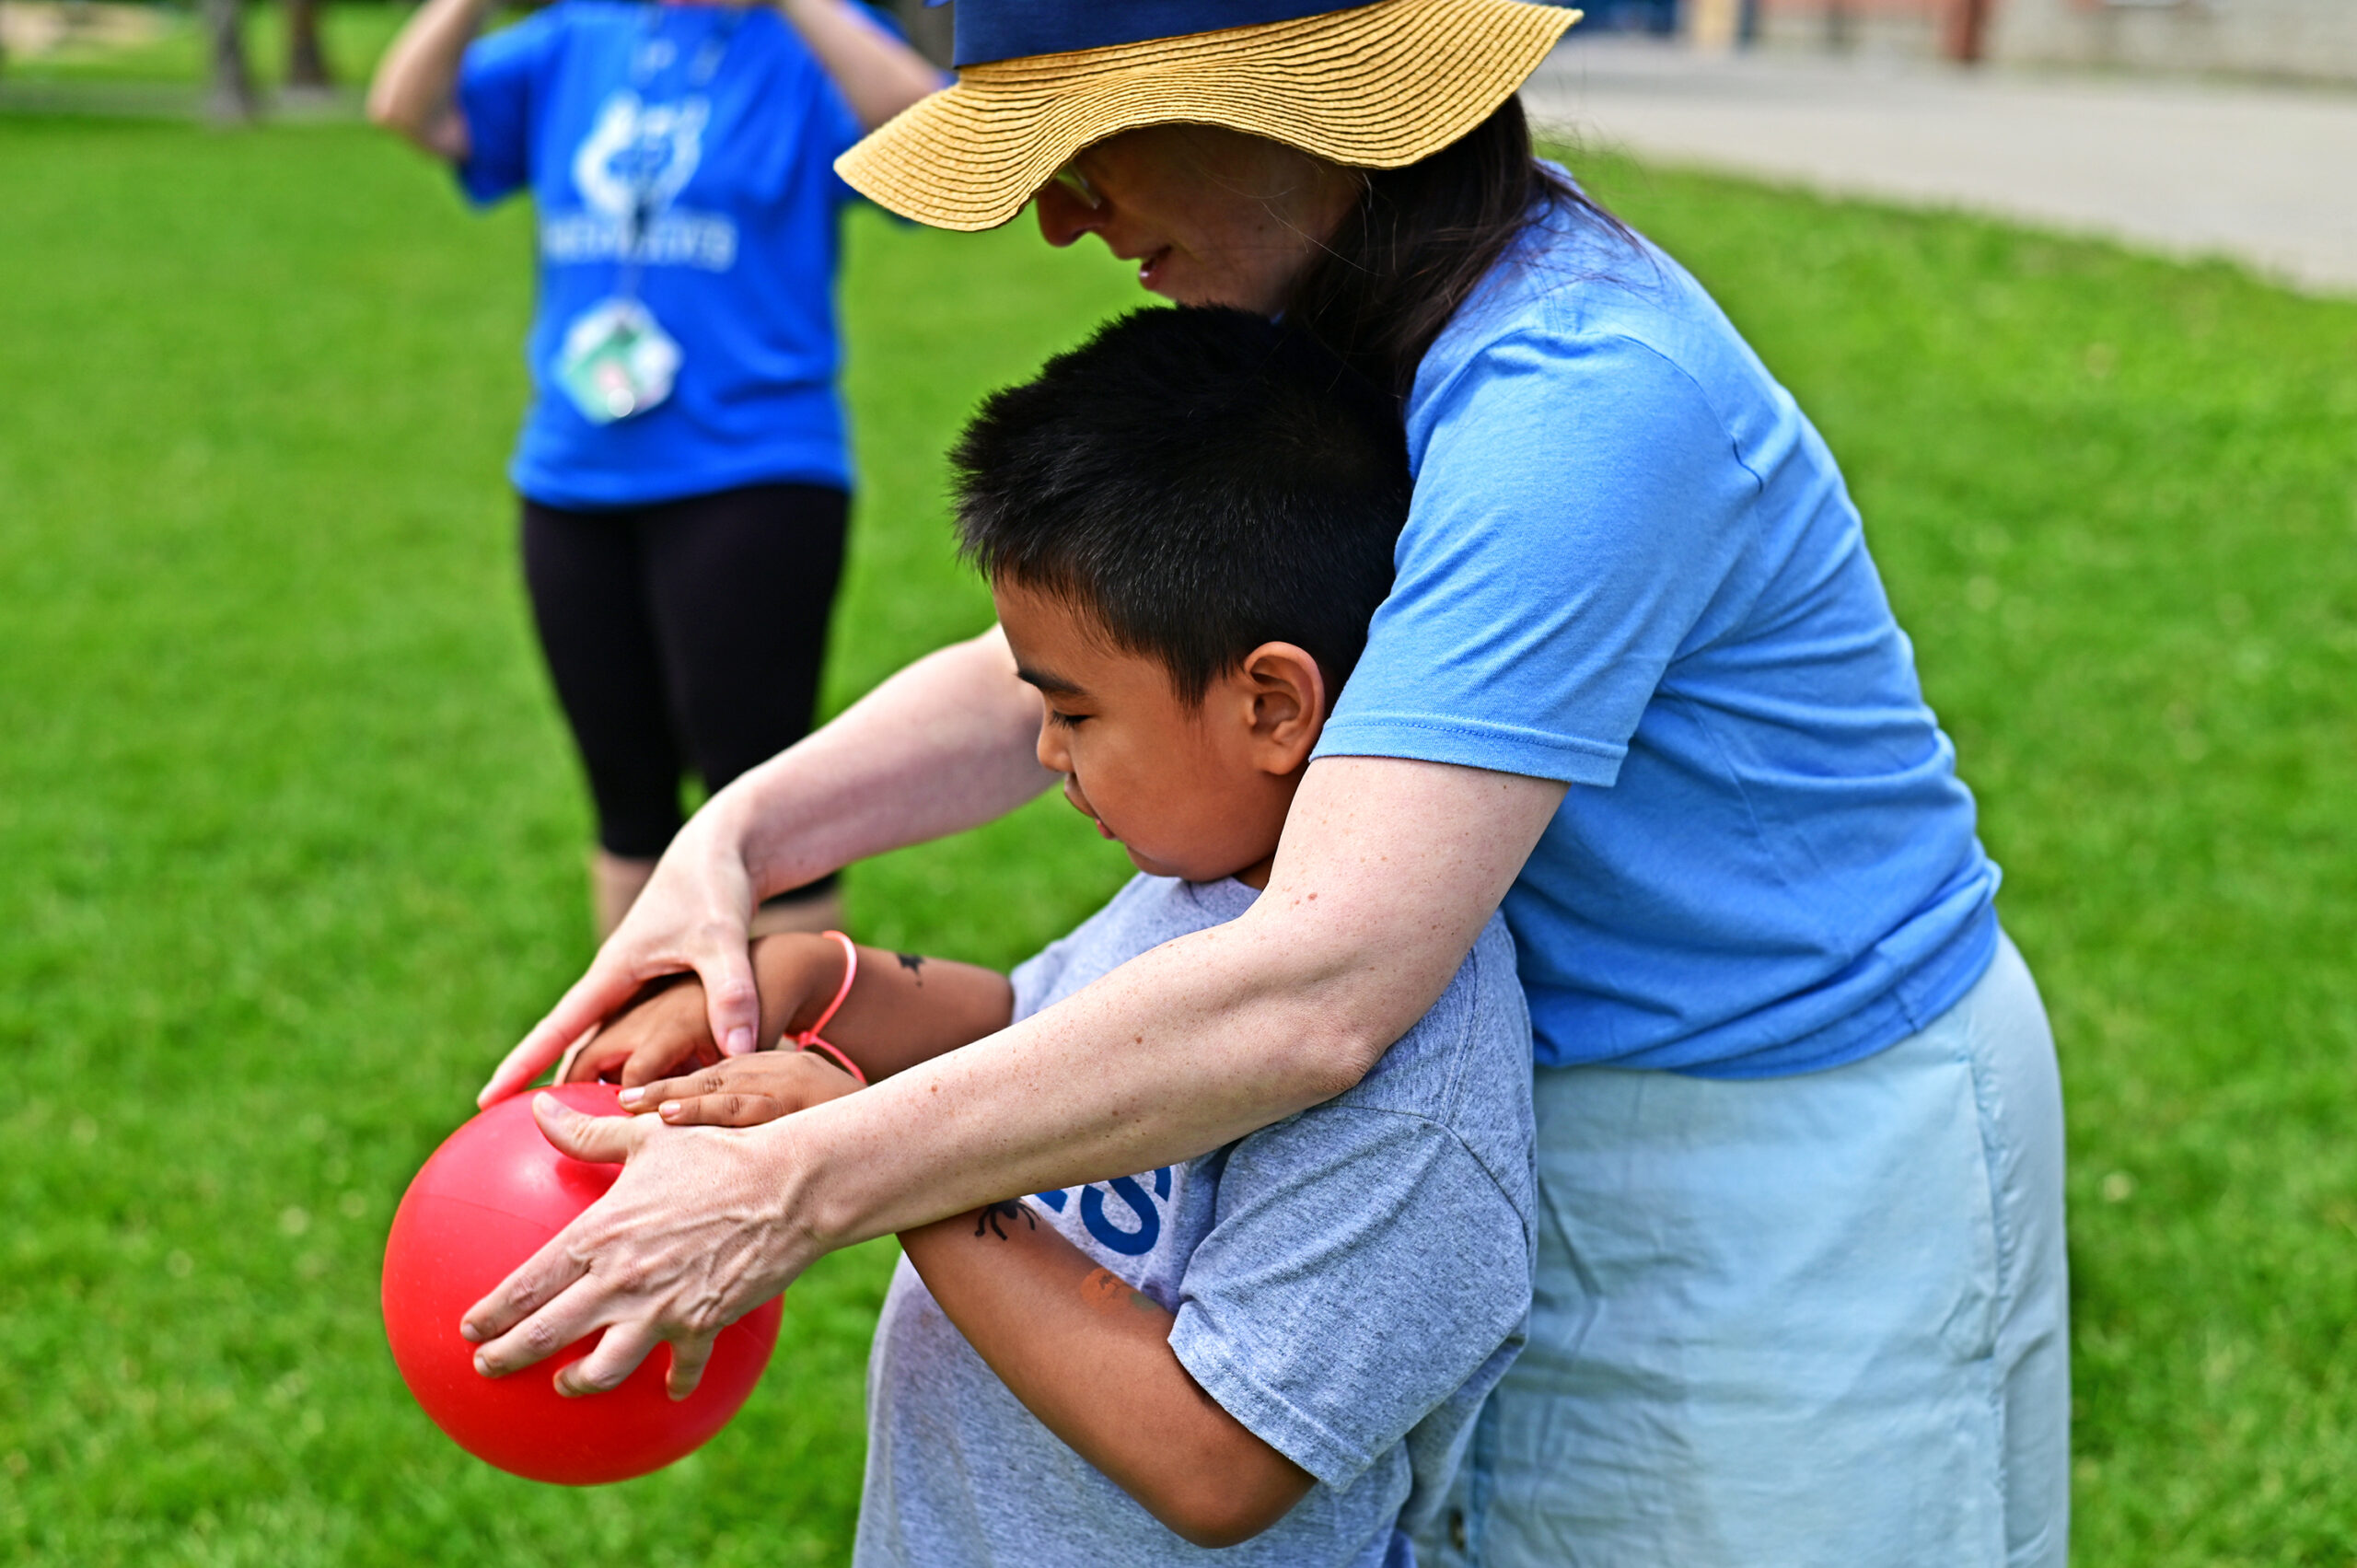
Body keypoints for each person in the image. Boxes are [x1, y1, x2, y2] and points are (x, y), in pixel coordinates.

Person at [461, 2, 2069, 1564]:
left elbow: (1326, 979)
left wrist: (820, 1166)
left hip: (1767, 1150)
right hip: (1525, 1101)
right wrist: (735, 842)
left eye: (1092, 142)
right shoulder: (1341, 327)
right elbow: (1093, 661)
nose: (1057, 217)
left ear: (1291, 97)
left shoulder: (1580, 401)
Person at [539, 306, 1535, 1567]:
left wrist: (883, 1154)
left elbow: (1218, 1459)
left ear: (1271, 702)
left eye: (1071, 710)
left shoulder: (1418, 1089)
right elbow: (1026, 1028)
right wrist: (804, 981)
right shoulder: (1204, 884)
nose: (1049, 755)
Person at [366, 0, 939, 938]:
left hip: (752, 473)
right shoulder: (577, 38)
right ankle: (631, 1077)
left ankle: (790, 1081)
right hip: (573, 475)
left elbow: (925, 129)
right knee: (625, 804)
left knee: (768, 812)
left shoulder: (806, 46)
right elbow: (407, 110)